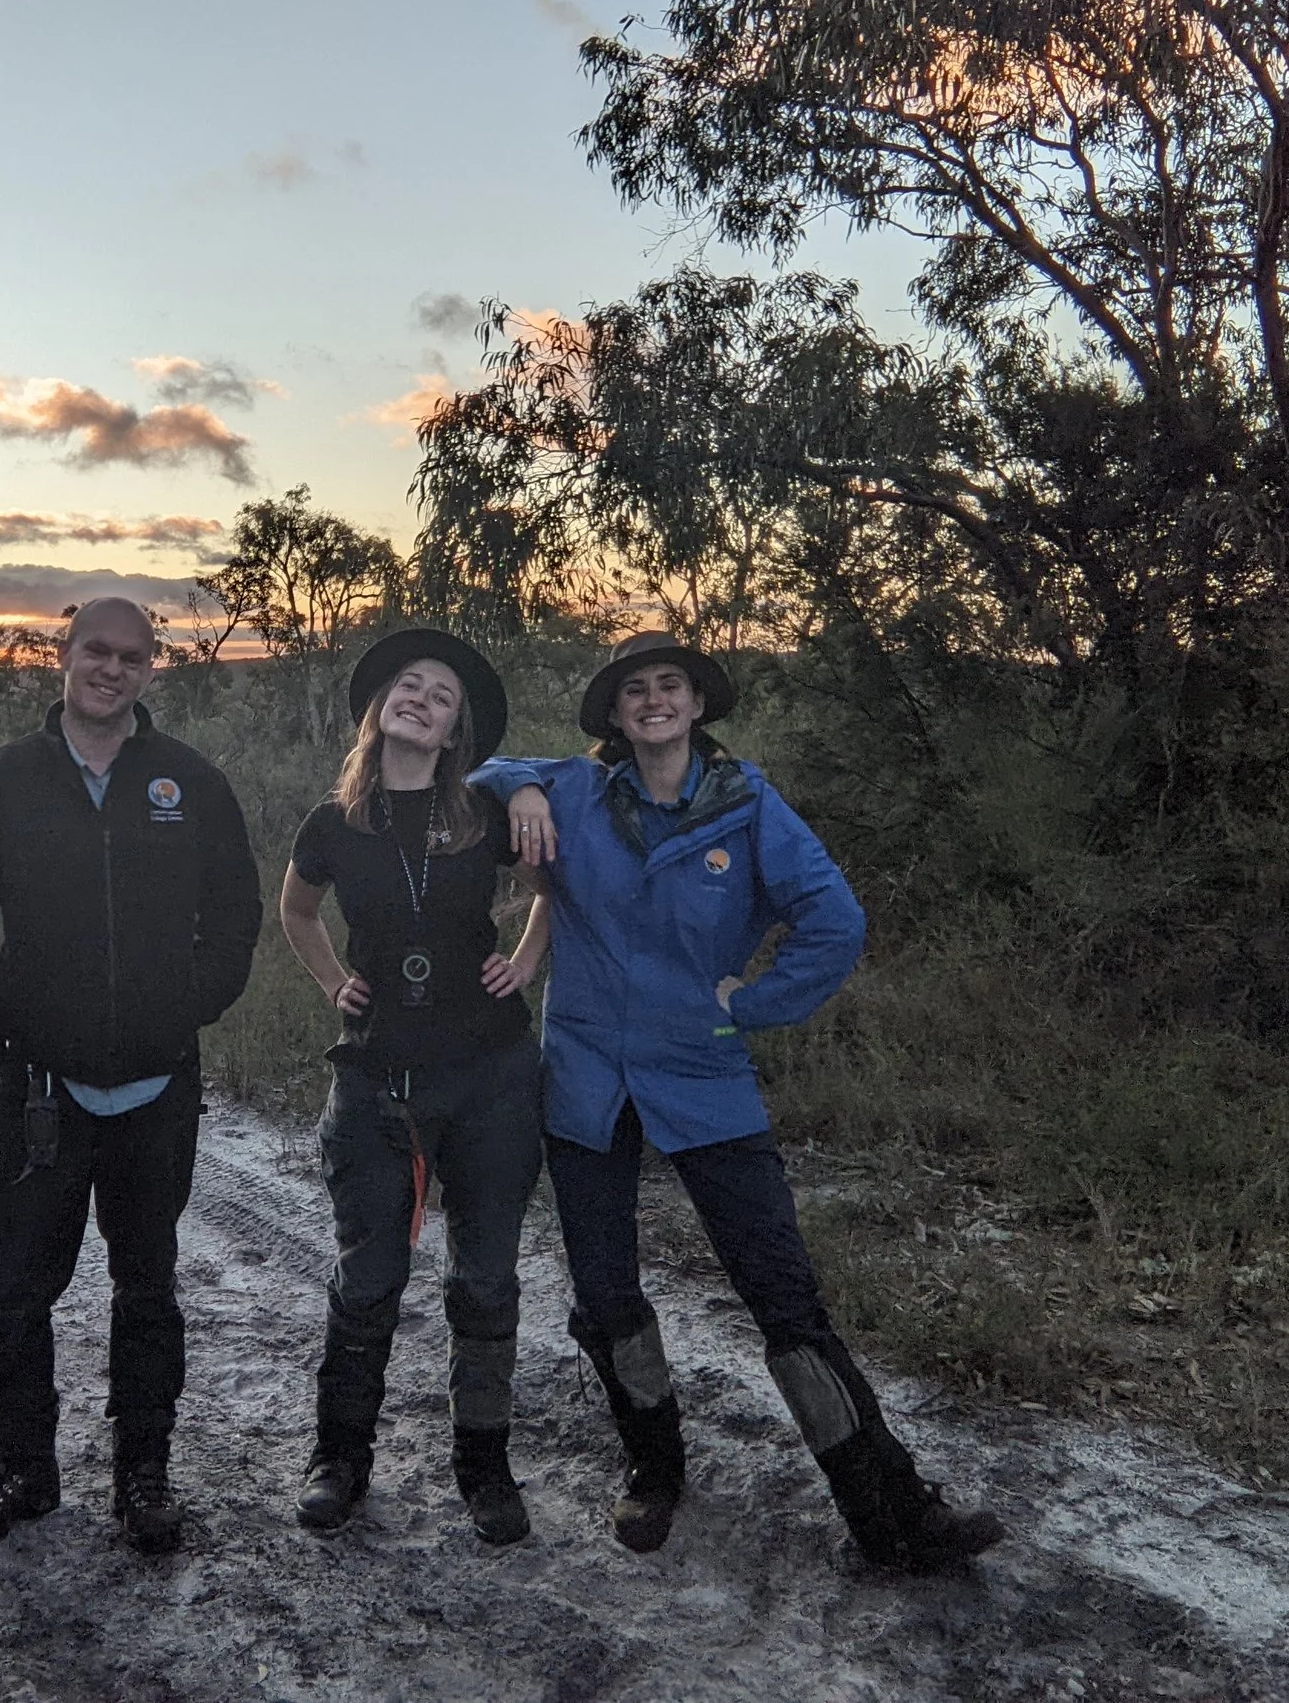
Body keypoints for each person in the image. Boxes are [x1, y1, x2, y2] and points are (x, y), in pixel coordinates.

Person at [473, 630, 1002, 1570]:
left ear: (696, 703)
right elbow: (480, 771)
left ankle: (891, 1511)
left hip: (702, 1072)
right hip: (589, 1075)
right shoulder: (578, 790)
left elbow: (835, 920)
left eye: (669, 685)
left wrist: (752, 1004)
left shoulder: (747, 803)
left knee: (784, 1298)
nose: (653, 700)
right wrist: (518, 786)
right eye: (635, 689)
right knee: (605, 1294)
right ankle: (653, 1468)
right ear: (615, 713)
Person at [0, 597, 261, 1555]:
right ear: (62, 656)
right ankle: (22, 1470)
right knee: (14, 1290)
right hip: (40, 1088)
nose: (112, 669)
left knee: (147, 1285)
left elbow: (236, 916)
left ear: (152, 670)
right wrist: (22, 1014)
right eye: (96, 651)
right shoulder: (1, 782)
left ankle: (143, 1473)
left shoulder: (191, 782)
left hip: (159, 1088)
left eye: (132, 657)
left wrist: (186, 1006)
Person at [279, 629, 552, 1544]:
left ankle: (484, 1464)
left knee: (485, 1278)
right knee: (369, 1276)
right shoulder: (333, 823)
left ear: (453, 731)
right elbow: (297, 909)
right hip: (377, 1079)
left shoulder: (484, 811)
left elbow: (552, 887)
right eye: (408, 684)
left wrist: (526, 961)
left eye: (441, 695)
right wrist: (331, 981)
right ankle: (339, 1458)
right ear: (379, 707)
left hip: (490, 1077)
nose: (421, 699)